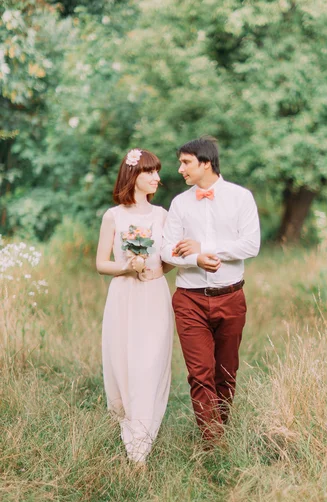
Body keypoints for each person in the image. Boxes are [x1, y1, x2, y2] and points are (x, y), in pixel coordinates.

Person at [161, 136, 260, 444]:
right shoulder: (179, 203)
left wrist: (206, 248)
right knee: (200, 373)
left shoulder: (241, 198)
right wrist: (195, 258)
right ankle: (213, 441)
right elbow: (166, 250)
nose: (180, 169)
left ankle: (221, 425)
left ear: (205, 163)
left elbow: (251, 245)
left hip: (231, 296)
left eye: (186, 162)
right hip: (189, 299)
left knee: (226, 371)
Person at [96, 148, 174, 464]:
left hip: (154, 295)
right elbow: (101, 263)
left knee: (150, 364)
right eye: (149, 172)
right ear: (134, 176)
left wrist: (153, 270)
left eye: (157, 172)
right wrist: (129, 267)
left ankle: (141, 443)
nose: (157, 178)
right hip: (123, 296)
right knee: (124, 364)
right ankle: (130, 432)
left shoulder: (163, 215)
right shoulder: (113, 216)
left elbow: (170, 260)